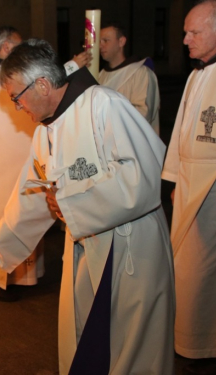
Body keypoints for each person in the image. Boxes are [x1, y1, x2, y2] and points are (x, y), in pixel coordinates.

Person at [0, 39, 174, 374]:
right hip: (85, 249)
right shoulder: (45, 131)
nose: (17, 107)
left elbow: (145, 172)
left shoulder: (104, 105)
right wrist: (2, 241)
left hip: (130, 248)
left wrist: (70, 201)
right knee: (89, 340)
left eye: (16, 97)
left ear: (42, 84)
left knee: (130, 350)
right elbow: (33, 193)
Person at [0, 26, 92, 302]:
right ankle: (5, 279)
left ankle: (13, 275)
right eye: (18, 45)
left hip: (9, 165)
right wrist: (73, 65)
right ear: (4, 49)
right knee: (13, 209)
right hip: (4, 167)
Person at [162, 1, 216, 374]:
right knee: (185, 266)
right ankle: (190, 339)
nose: (185, 40)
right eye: (185, 31)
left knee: (200, 270)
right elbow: (181, 130)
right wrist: (176, 178)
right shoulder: (197, 74)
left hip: (211, 190)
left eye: (194, 32)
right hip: (190, 187)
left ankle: (201, 345)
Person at [99, 23, 161, 134]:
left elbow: (143, 113)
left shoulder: (141, 73)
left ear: (121, 42)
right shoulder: (101, 75)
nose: (100, 46)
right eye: (99, 41)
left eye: (106, 40)